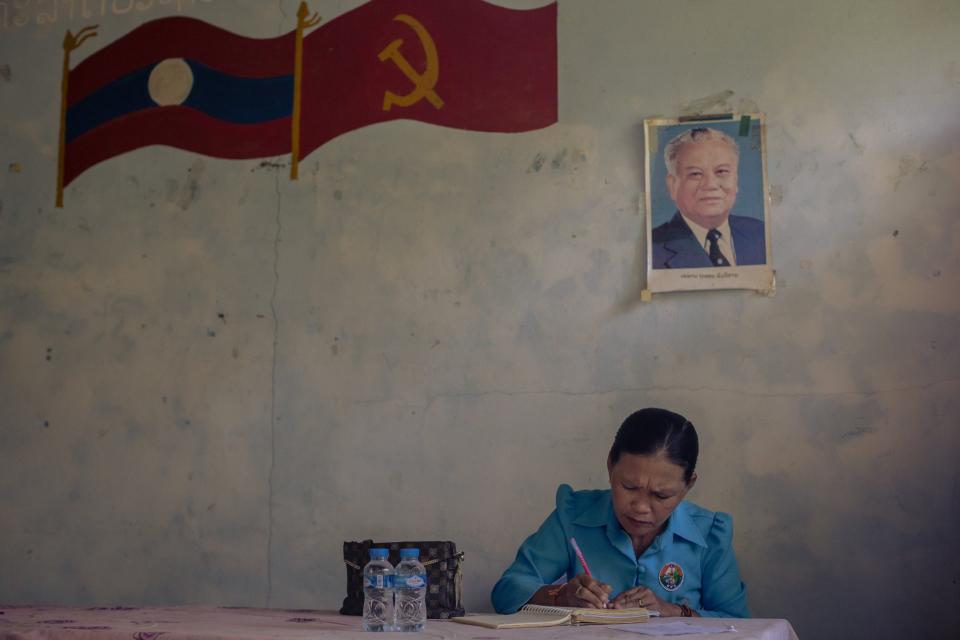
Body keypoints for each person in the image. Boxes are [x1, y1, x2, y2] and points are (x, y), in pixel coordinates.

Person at [490, 408, 749, 618]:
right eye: (629, 486)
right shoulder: (573, 516)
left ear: (688, 485)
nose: (641, 507)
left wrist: (673, 611)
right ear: (610, 465)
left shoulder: (708, 534)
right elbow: (507, 591)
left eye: (661, 495)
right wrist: (558, 596)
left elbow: (738, 622)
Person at [651, 128, 765, 269]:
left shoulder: (761, 233)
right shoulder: (653, 249)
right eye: (695, 174)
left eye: (721, 171)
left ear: (736, 180)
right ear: (672, 185)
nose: (710, 185)